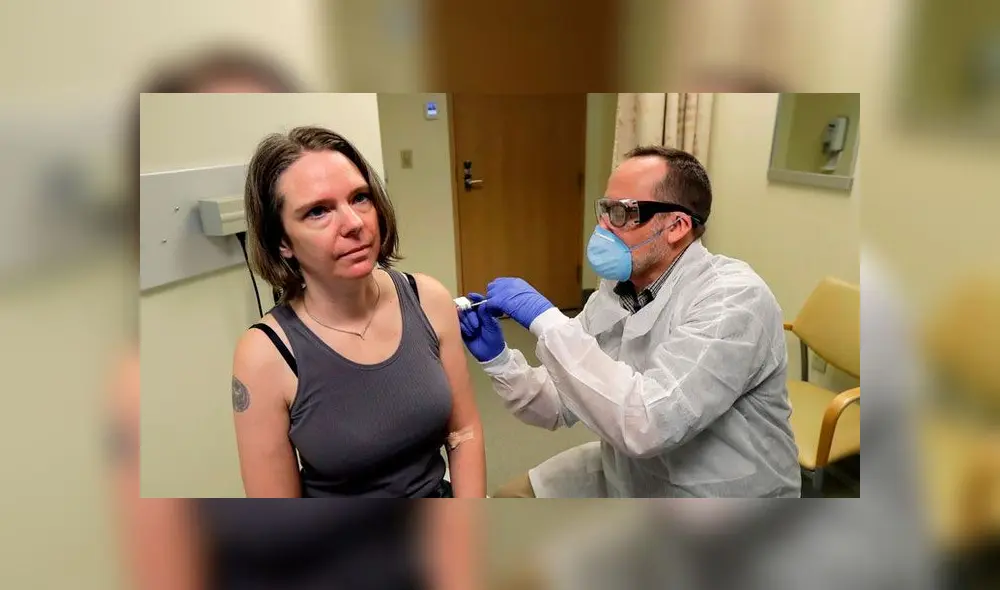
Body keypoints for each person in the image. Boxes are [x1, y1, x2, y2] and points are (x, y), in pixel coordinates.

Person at [458, 145, 801, 498]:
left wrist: (547, 321)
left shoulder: (733, 299)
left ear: (677, 226)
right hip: (632, 470)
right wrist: (499, 361)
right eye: (605, 209)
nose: (603, 227)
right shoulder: (617, 290)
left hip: (717, 489)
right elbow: (558, 404)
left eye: (622, 212)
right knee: (508, 500)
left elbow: (649, 424)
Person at [233, 125, 486, 498]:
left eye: (360, 198)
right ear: (282, 241)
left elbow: (463, 433)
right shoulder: (265, 355)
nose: (354, 224)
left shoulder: (428, 300)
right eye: (318, 211)